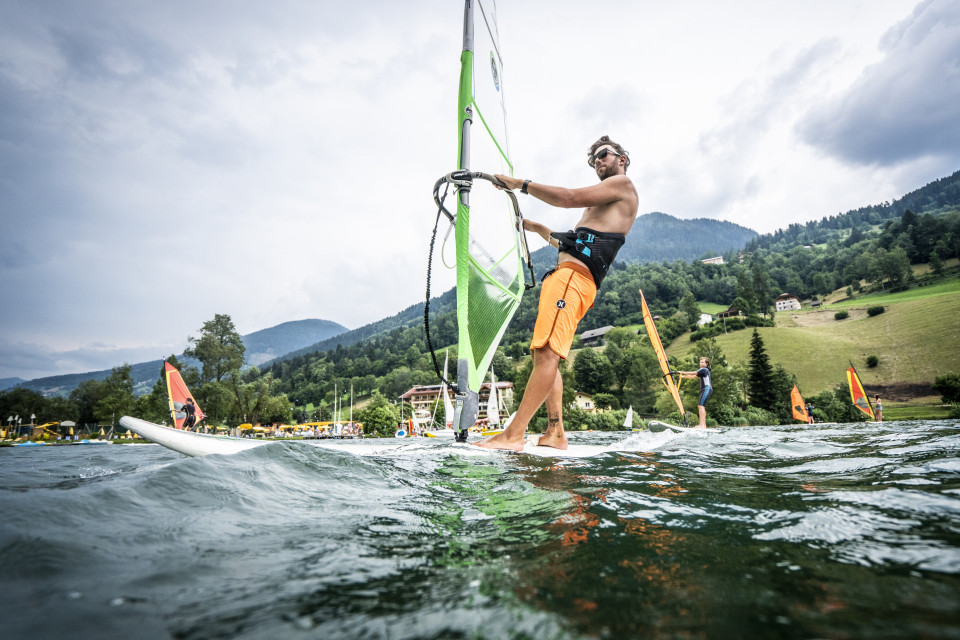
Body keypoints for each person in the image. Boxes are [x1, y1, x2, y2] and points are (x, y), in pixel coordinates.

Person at [476, 135, 639, 451]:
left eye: (603, 155)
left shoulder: (624, 185)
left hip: (572, 280)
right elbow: (577, 246)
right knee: (543, 354)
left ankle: (513, 435)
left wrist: (519, 184)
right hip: (567, 278)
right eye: (593, 160)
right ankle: (556, 432)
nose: (597, 162)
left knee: (548, 352)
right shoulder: (604, 204)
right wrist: (538, 229)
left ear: (622, 158)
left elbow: (567, 197)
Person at [679, 357, 712, 429]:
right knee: (701, 406)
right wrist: (683, 376)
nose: (701, 363)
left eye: (703, 362)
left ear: (706, 364)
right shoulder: (703, 371)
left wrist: (682, 372)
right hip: (706, 389)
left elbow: (694, 372)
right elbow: (694, 376)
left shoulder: (704, 369)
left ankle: (702, 425)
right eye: (700, 362)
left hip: (706, 389)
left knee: (701, 406)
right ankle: (703, 425)